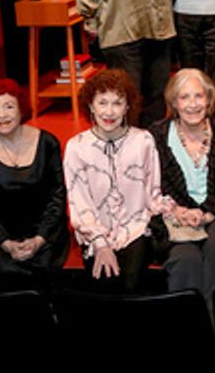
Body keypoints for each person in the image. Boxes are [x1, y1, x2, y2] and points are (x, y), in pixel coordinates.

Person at [64, 68, 166, 293]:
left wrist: (176, 212)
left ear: (127, 107)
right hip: (94, 233)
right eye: (102, 103)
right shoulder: (76, 147)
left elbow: (153, 192)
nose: (109, 112)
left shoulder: (143, 141)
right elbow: (79, 203)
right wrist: (100, 243)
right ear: (91, 105)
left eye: (117, 103)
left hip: (137, 228)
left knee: (130, 283)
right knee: (104, 282)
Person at [0, 79, 68, 292]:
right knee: (4, 279)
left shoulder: (48, 143)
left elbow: (57, 197)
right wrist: (6, 243)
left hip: (44, 236)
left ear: (21, 109)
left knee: (46, 281)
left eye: (9, 106)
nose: (1, 115)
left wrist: (39, 239)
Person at [148, 69, 215, 301]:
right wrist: (178, 211)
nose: (192, 104)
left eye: (198, 96)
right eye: (184, 97)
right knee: (186, 259)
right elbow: (150, 186)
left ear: (208, 99)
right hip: (172, 218)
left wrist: (207, 214)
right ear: (174, 103)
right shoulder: (155, 137)